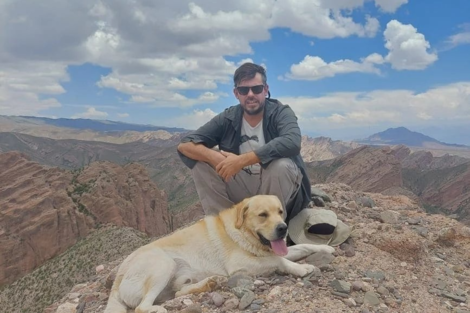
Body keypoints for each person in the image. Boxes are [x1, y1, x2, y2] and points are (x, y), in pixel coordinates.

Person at [177, 62, 311, 224]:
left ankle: (271, 230)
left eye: (256, 89)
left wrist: (241, 160)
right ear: (236, 93)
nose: (250, 94)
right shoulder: (228, 117)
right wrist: (215, 157)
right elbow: (185, 145)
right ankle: (225, 225)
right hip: (242, 185)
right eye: (243, 90)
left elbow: (292, 141)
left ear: (266, 90)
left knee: (279, 166)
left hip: (276, 187)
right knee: (200, 161)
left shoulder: (280, 113)